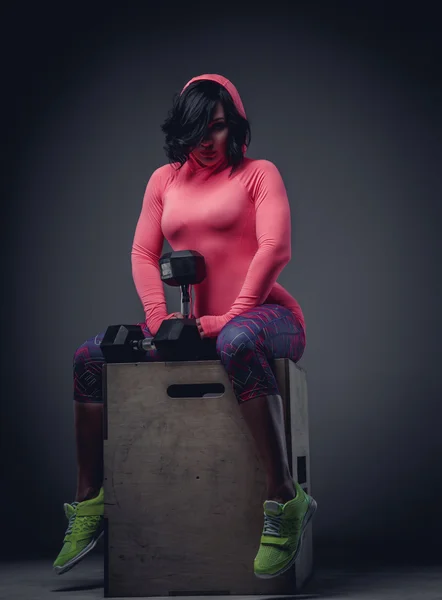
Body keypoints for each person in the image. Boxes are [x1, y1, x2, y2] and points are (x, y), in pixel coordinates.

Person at [53, 73, 317, 579]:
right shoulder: (164, 179)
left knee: (237, 342)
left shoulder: (259, 173)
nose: (205, 141)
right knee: (90, 357)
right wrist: (158, 318)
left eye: (216, 127)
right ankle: (89, 500)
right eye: (196, 129)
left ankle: (285, 500)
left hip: (268, 318)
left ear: (233, 125)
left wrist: (231, 315)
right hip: (195, 323)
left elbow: (274, 248)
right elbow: (142, 251)